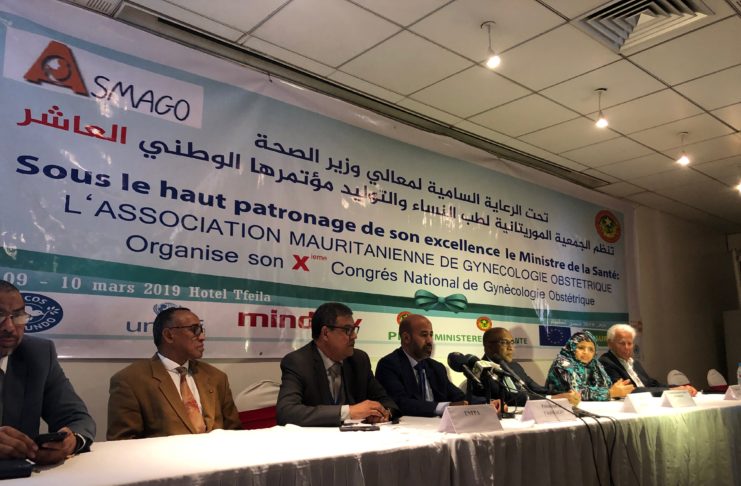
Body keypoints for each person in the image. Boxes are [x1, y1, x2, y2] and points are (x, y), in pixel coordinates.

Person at [107, 306, 241, 440]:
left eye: (201, 330)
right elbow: (122, 443)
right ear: (169, 335)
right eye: (194, 330)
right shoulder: (130, 381)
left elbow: (235, 432)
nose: (202, 337)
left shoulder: (216, 377)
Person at [0, 280, 95, 464]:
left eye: (18, 316)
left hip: (23, 474)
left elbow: (77, 418)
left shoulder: (38, 354)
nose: (10, 327)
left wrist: (71, 441)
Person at [276, 302, 398, 426]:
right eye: (348, 330)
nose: (354, 336)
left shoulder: (359, 360)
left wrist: (384, 413)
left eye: (354, 329)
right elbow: (286, 412)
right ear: (325, 333)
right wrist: (348, 412)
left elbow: (387, 402)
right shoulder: (298, 362)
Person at [375, 314, 466, 417]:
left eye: (431, 335)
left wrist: (472, 403)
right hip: (409, 425)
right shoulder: (388, 365)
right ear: (406, 338)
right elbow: (400, 403)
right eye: (424, 335)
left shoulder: (437, 367)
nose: (430, 341)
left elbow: (458, 397)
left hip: (439, 424)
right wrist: (444, 408)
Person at [483, 327, 580, 406]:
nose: (510, 347)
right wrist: (552, 398)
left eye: (512, 342)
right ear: (488, 346)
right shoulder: (481, 370)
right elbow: (508, 397)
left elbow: (534, 388)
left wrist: (563, 393)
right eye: (504, 342)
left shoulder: (515, 366)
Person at [599, 323, 697, 397]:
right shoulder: (606, 362)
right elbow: (629, 391)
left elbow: (651, 384)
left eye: (630, 343)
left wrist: (680, 387)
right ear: (610, 344)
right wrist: (670, 391)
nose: (627, 347)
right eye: (622, 343)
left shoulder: (634, 363)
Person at [546, 331, 634, 401]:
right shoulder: (562, 364)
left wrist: (616, 390)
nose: (586, 352)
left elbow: (606, 386)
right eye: (581, 348)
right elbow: (576, 393)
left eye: (591, 349)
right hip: (559, 410)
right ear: (571, 348)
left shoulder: (595, 365)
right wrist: (610, 393)